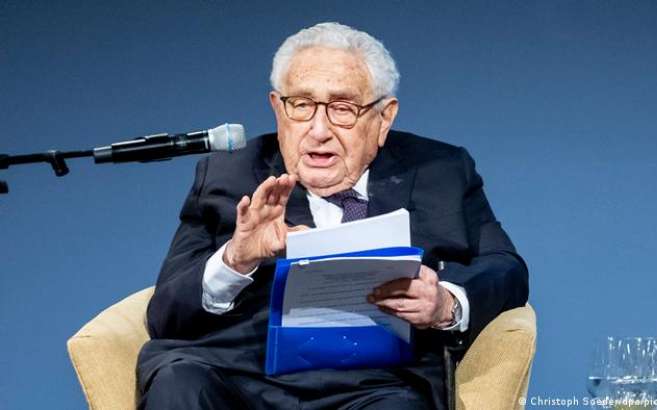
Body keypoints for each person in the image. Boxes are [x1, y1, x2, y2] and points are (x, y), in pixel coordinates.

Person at [137, 22, 528, 410]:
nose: (318, 130)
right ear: (277, 109)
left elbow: (505, 268)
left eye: (342, 108)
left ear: (384, 118)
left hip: (378, 385)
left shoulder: (440, 172)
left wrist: (445, 302)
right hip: (237, 376)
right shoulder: (227, 176)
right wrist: (235, 259)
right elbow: (164, 316)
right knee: (178, 381)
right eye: (301, 105)